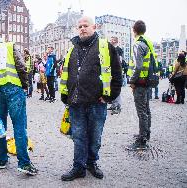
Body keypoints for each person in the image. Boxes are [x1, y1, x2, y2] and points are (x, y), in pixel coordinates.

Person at [60, 16, 122, 181]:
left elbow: (117, 73)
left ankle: (92, 163)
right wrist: (65, 95)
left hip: (96, 102)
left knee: (95, 137)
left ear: (94, 27)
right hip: (76, 102)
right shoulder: (72, 49)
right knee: (78, 136)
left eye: (85, 25)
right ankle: (78, 167)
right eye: (79, 26)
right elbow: (67, 73)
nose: (82, 28)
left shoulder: (105, 46)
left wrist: (110, 96)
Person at [0, 38, 38, 175]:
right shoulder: (10, 47)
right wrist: (24, 86)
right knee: (19, 125)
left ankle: (2, 160)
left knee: (0, 127)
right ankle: (24, 163)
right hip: (13, 88)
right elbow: (21, 67)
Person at [126, 20, 155, 150]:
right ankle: (146, 133)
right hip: (147, 81)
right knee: (146, 109)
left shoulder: (138, 44)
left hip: (140, 82)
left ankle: (142, 140)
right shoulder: (147, 42)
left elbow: (137, 67)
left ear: (134, 30)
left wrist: (132, 81)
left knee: (141, 111)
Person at [108, 36, 123, 114]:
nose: (110, 41)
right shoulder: (110, 49)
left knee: (116, 88)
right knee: (111, 88)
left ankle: (117, 106)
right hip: (110, 71)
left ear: (115, 41)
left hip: (116, 71)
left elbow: (119, 62)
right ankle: (113, 104)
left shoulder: (119, 50)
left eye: (112, 40)